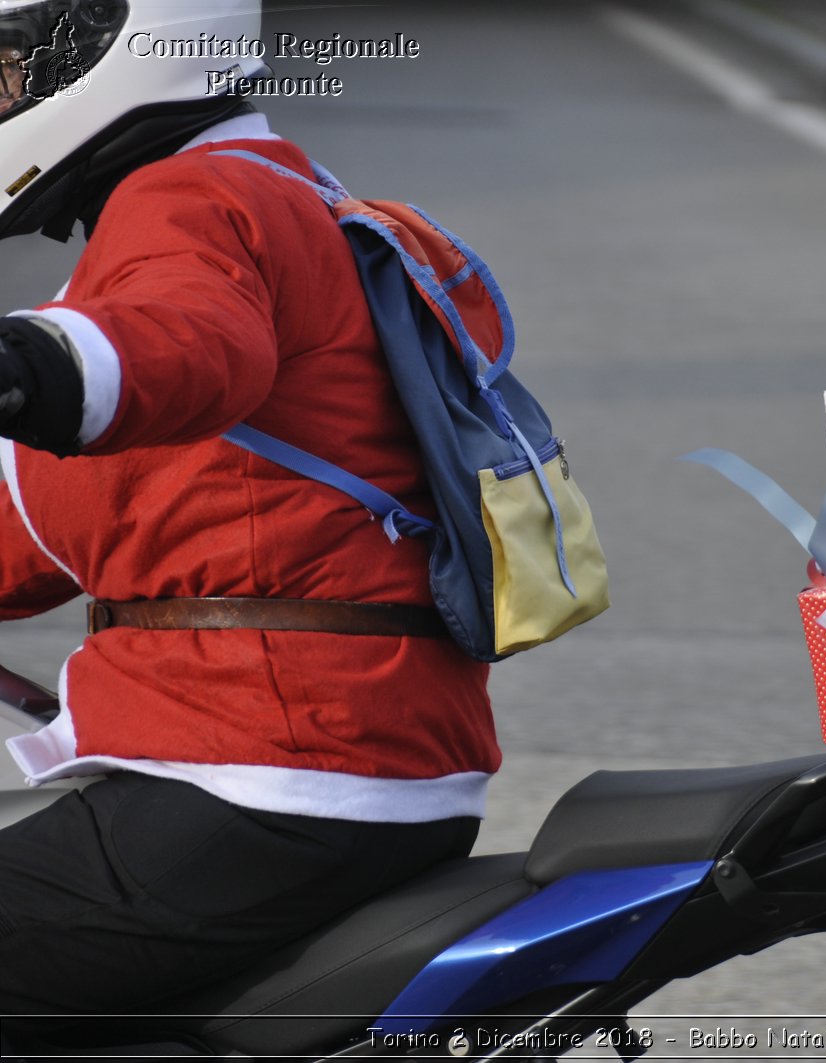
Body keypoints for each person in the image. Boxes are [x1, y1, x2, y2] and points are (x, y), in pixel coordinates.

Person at [0, 0, 500, 1018]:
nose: (4, 96)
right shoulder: (290, 200)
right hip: (348, 753)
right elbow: (75, 515)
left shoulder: (194, 204)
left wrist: (28, 364)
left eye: (12, 67)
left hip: (268, 767)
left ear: (103, 39)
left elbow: (184, 346)